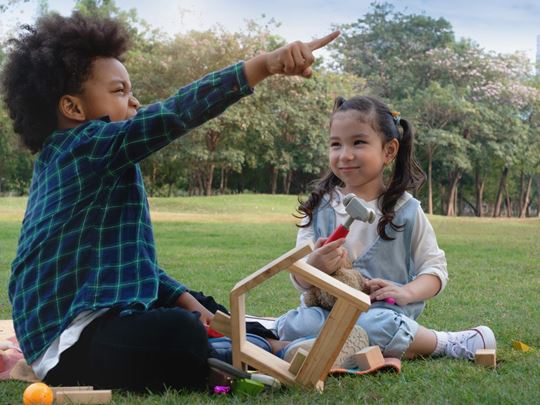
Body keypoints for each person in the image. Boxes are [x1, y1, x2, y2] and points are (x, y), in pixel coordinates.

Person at [2, 11, 338, 392]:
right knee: (178, 334)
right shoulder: (84, 148)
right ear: (74, 108)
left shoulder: (90, 163)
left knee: (200, 306)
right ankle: (239, 354)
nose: (135, 101)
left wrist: (192, 304)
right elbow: (174, 114)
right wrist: (262, 65)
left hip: (105, 318)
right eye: (119, 91)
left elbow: (136, 270)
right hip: (68, 346)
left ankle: (269, 344)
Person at [274, 95, 496, 362]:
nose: (344, 155)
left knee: (379, 326)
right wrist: (313, 266)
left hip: (380, 312)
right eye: (336, 144)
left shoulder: (406, 211)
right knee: (298, 324)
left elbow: (435, 270)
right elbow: (299, 278)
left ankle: (444, 343)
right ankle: (347, 348)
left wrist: (406, 292)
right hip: (326, 313)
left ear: (389, 151)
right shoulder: (320, 207)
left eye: (358, 142)